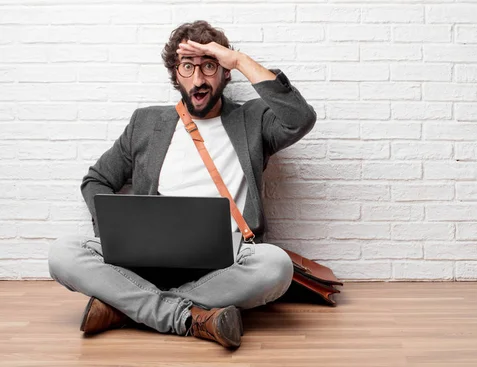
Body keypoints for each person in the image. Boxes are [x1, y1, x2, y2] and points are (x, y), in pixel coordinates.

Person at [47, 20, 317, 349]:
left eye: (209, 66)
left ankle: (128, 309)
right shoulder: (146, 122)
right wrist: (118, 234)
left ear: (225, 73)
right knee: (63, 253)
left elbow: (300, 118)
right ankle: (192, 317)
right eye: (187, 67)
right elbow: (97, 180)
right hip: (145, 257)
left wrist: (241, 59)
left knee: (276, 266)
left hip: (226, 260)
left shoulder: (253, 119)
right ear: (175, 74)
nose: (199, 79)